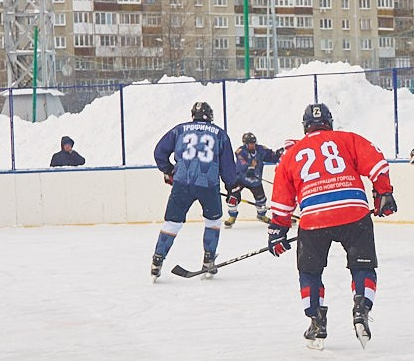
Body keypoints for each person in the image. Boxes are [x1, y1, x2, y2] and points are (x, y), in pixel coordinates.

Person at [267, 101, 395, 345]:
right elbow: (377, 164)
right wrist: (383, 193)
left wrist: (278, 230)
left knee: (310, 272)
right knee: (363, 267)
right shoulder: (347, 139)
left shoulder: (291, 154)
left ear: (305, 126)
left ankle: (316, 320)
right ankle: (361, 308)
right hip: (354, 212)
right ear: (329, 123)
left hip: (314, 218)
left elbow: (282, 201)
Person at [151, 100, 247, 279]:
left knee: (172, 223)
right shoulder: (219, 133)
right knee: (213, 221)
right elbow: (227, 167)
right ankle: (208, 260)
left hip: (182, 183)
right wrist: (232, 187)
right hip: (208, 185)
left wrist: (169, 170)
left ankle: (157, 260)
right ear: (210, 116)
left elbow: (159, 152)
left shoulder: (179, 129)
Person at [226, 131, 279, 227]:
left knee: (261, 199)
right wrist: (249, 168)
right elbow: (241, 165)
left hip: (255, 180)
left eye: (253, 143)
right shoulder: (240, 151)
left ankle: (261, 215)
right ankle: (232, 216)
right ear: (245, 144)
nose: (252, 145)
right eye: (250, 143)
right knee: (233, 197)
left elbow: (270, 156)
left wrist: (277, 154)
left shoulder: (261, 150)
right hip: (241, 179)